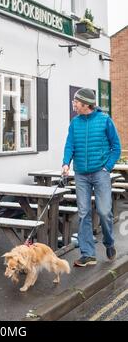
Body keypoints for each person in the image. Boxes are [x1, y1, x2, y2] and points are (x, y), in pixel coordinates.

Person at [62, 88, 121, 267]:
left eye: (76, 101)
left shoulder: (105, 121)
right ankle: (88, 253)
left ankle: (109, 243)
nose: (74, 104)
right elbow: (69, 145)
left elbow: (116, 148)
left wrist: (106, 168)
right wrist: (66, 163)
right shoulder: (74, 123)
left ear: (86, 104)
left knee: (104, 211)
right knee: (83, 213)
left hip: (100, 173)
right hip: (81, 174)